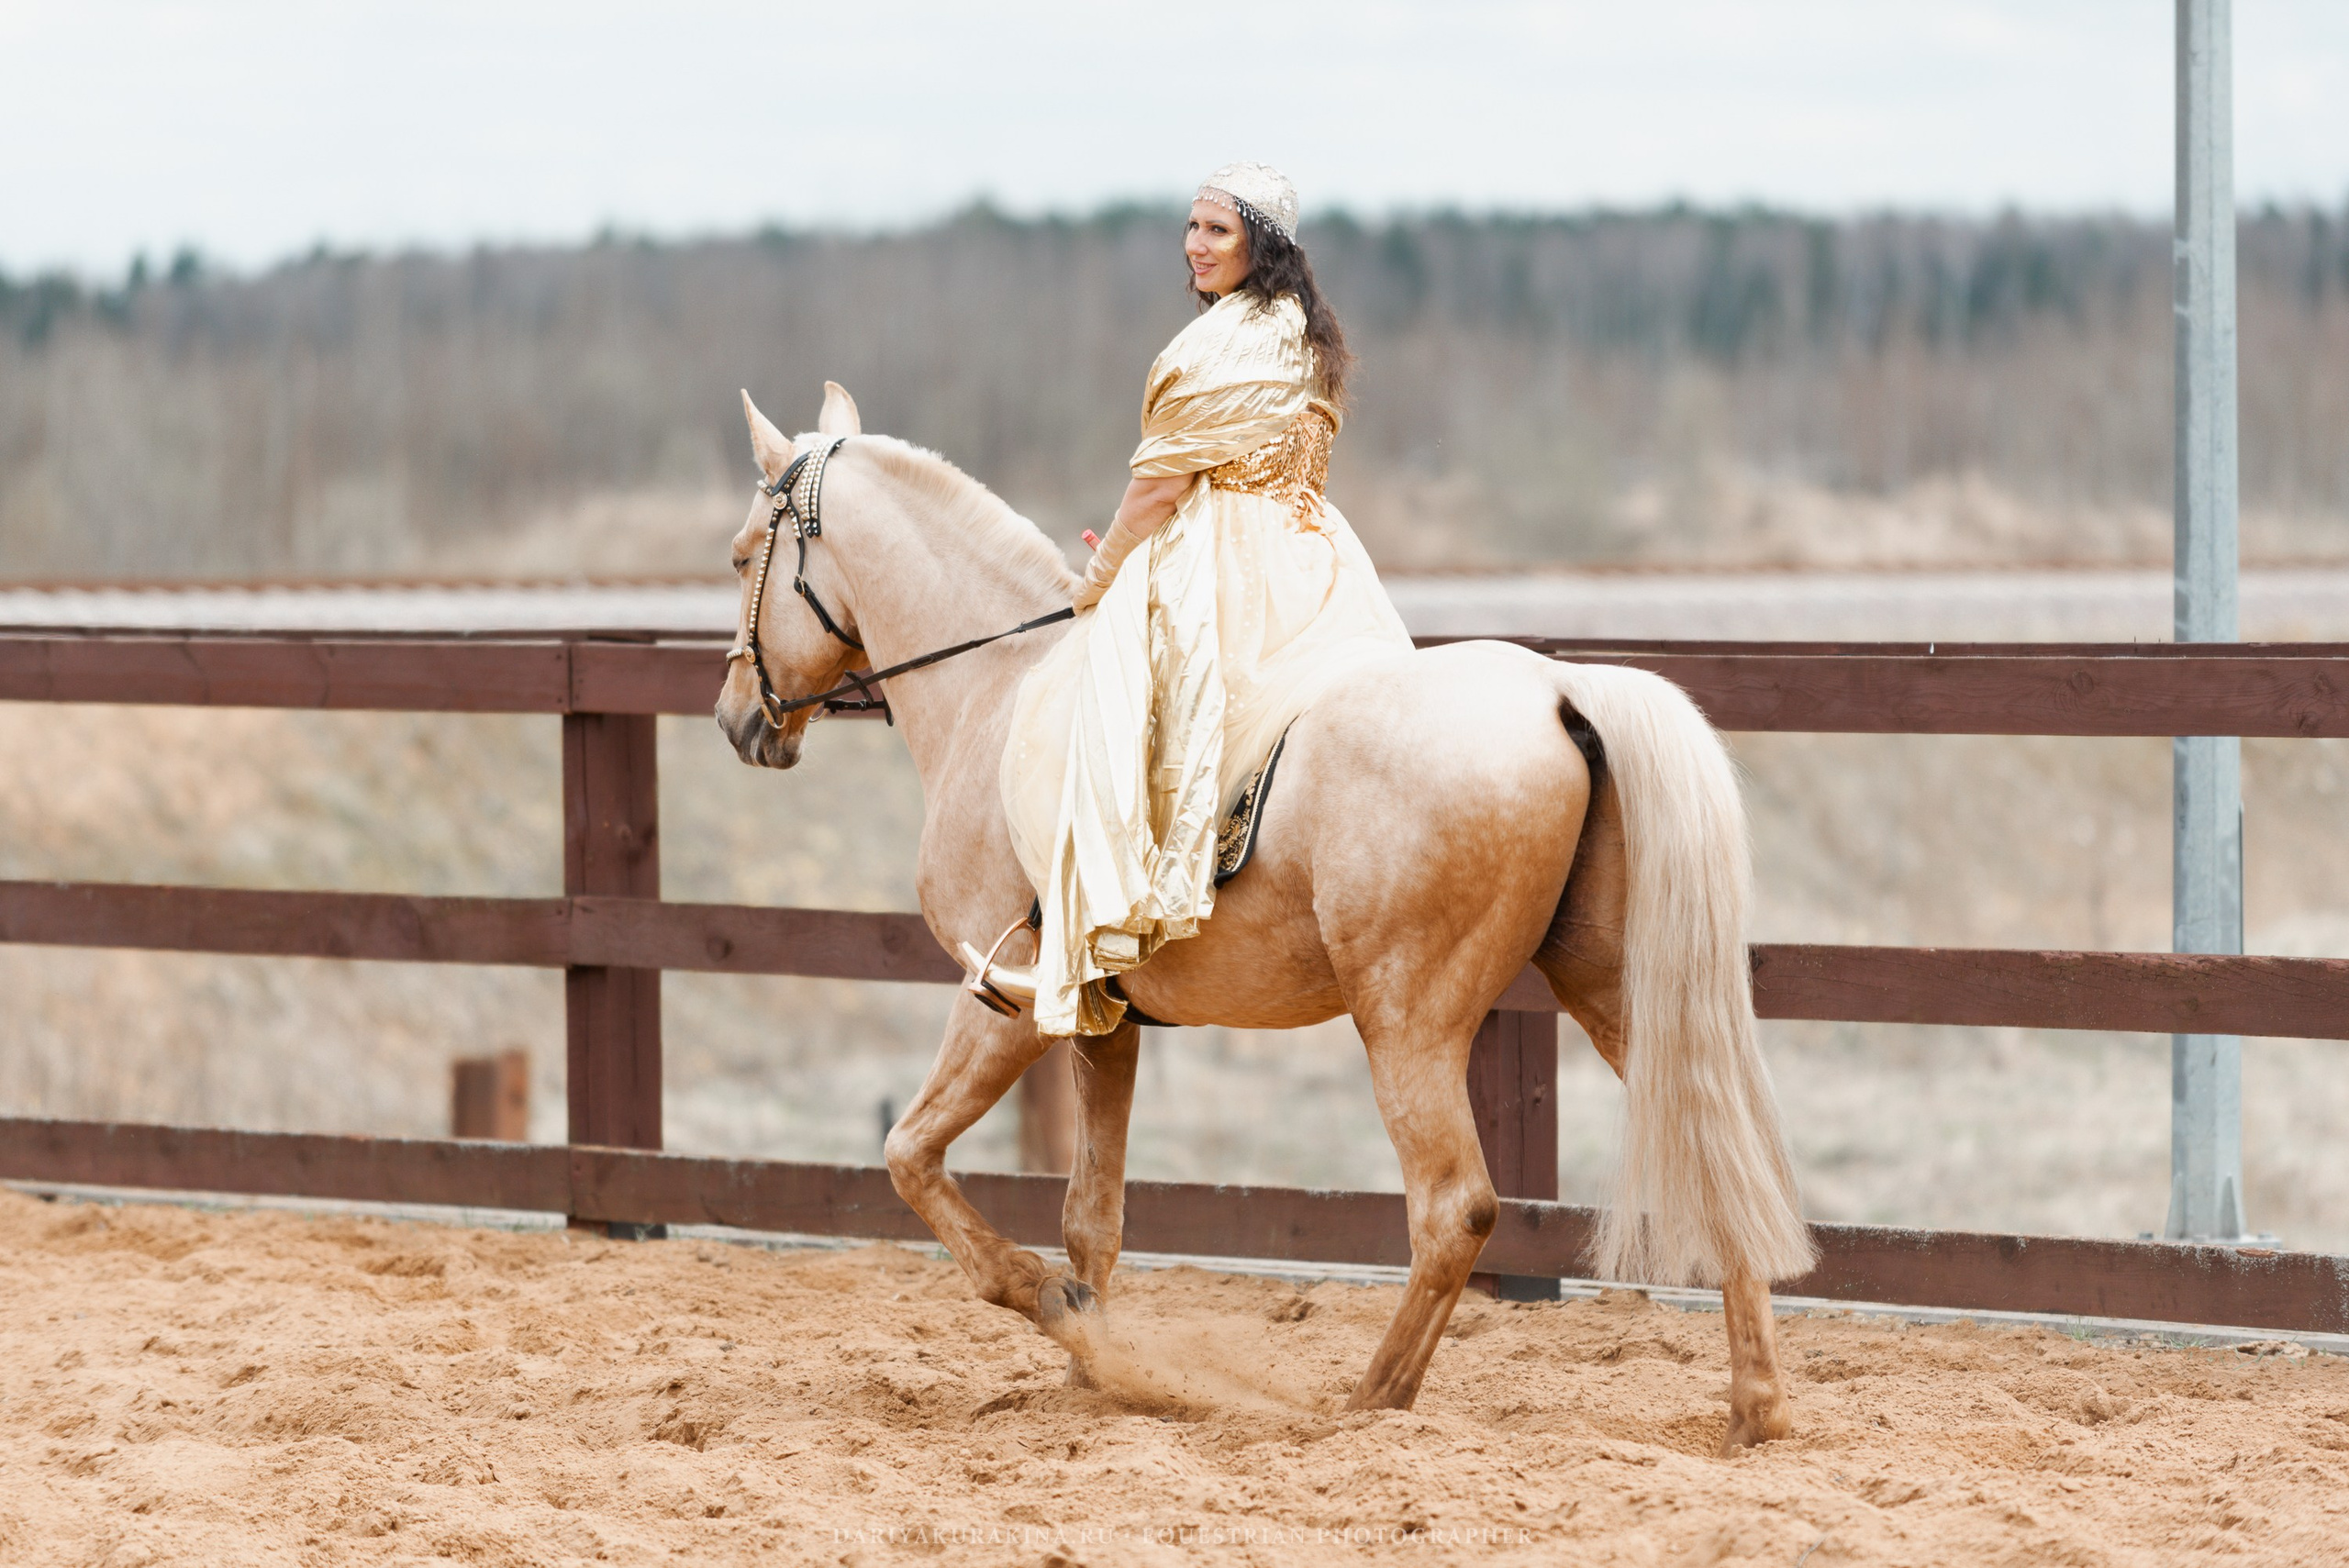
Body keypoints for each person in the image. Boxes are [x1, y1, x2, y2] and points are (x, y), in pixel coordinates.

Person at [977, 161, 1413, 1037]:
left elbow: (1153, 495)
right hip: (1318, 554)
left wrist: (1095, 586)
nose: (1195, 246)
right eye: (1190, 228)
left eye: (1216, 230)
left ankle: (1086, 930)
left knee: (1103, 702)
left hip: (1230, 559)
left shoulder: (1216, 345)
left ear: (1263, 242)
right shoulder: (1303, 331)